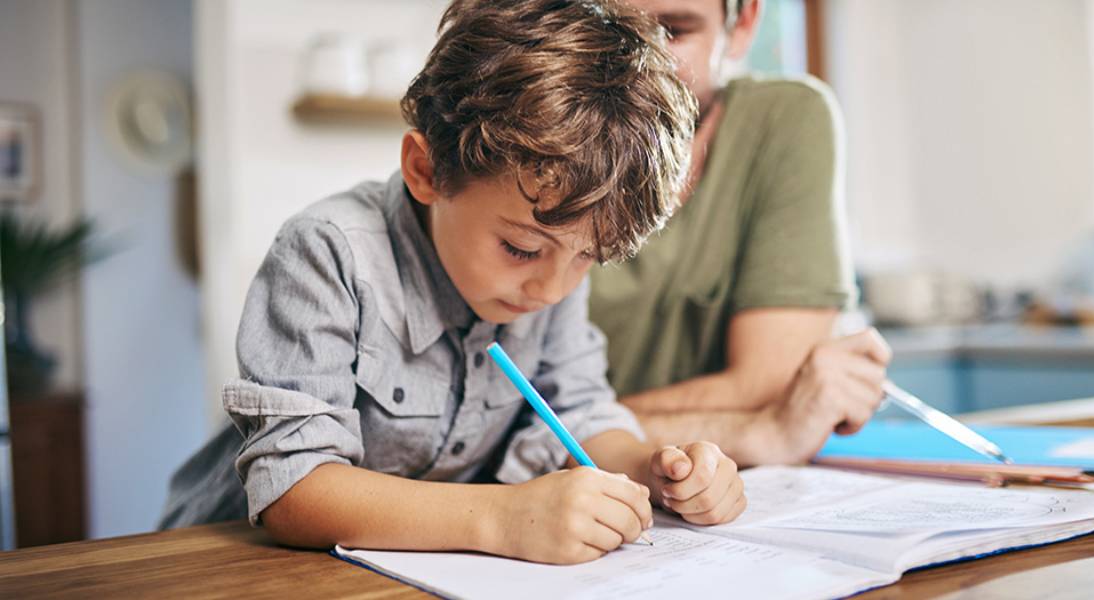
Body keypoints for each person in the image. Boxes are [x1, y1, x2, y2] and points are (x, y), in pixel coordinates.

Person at [159, 0, 745, 565]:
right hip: (220, 565)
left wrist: (656, 472)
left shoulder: (550, 270)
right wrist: (501, 517)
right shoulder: (328, 251)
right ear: (426, 170)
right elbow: (295, 490)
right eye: (519, 247)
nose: (550, 289)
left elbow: (584, 416)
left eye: (587, 258)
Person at [589, 0, 893, 466]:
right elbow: (509, 436)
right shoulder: (534, 137)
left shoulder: (785, 120)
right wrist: (764, 425)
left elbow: (769, 380)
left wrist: (567, 429)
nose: (634, 69)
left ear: (744, 21)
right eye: (606, 31)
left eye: (672, 31)